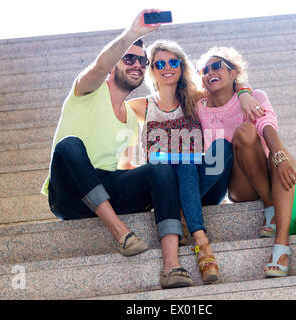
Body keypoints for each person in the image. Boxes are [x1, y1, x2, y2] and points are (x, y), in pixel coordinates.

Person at [40, 10, 193, 289]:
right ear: (114, 65)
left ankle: (172, 265)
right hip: (69, 193)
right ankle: (121, 233)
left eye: (142, 62)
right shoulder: (87, 89)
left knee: (160, 169)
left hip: (105, 190)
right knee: (69, 145)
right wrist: (133, 34)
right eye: (129, 58)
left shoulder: (132, 118)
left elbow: (126, 171)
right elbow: (100, 64)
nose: (136, 65)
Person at [126, 40, 263, 283]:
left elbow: (231, 83)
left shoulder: (196, 100)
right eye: (160, 63)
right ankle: (202, 246)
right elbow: (114, 110)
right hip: (167, 189)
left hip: (204, 186)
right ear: (152, 70)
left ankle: (184, 217)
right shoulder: (142, 106)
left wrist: (243, 93)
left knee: (218, 149)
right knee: (182, 163)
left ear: (181, 66)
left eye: (173, 61)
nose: (167, 67)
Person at [196, 47, 296, 278]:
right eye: (204, 70)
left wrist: (280, 157)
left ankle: (281, 247)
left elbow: (266, 123)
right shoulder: (199, 108)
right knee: (243, 132)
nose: (210, 71)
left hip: (266, 167)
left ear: (234, 73)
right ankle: (269, 203)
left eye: (217, 66)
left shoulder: (256, 95)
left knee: (280, 152)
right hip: (238, 182)